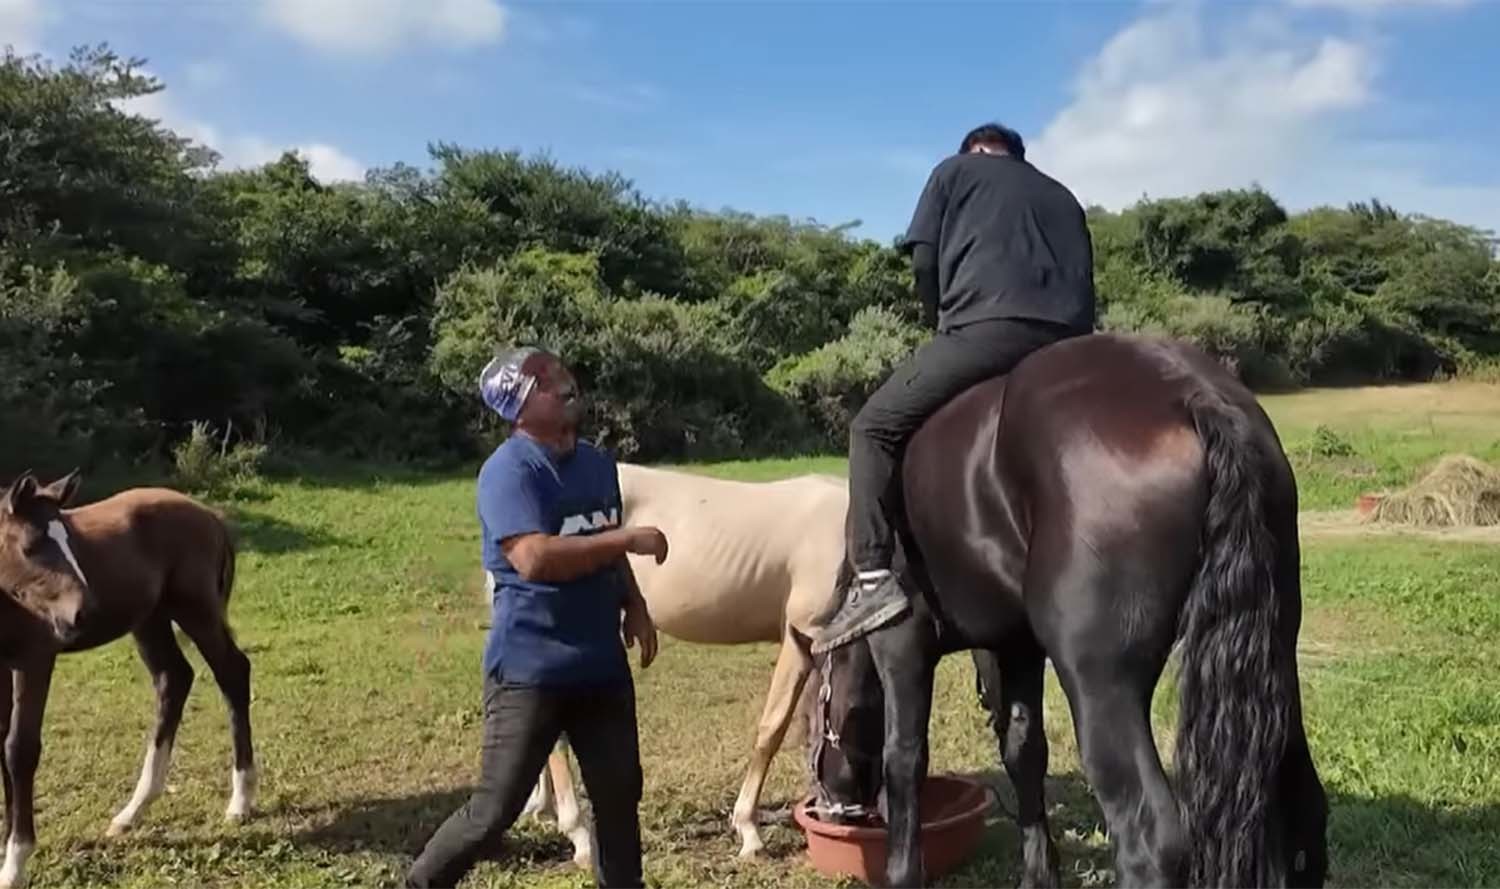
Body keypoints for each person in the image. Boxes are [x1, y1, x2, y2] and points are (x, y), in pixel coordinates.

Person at [812, 123, 1097, 654]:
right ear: (1018, 156)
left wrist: (942, 316)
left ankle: (872, 579)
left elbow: (924, 258)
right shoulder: (1062, 194)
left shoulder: (953, 171)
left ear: (974, 150)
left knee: (871, 428)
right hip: (1073, 349)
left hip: (988, 332)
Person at [406, 346, 666, 888]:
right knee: (494, 811)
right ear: (520, 409)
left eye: (559, 371)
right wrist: (627, 537)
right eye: (544, 381)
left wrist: (635, 604)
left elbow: (601, 541)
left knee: (619, 797)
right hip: (530, 671)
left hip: (600, 665)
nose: (563, 381)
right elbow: (534, 558)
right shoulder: (507, 472)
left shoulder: (596, 463)